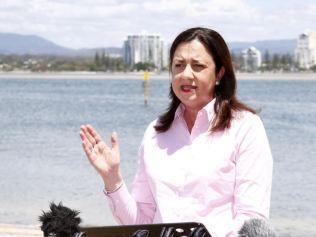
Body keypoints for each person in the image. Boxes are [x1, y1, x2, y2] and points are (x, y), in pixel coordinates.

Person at [79, 27, 273, 237]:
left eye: (198, 66)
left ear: (219, 73)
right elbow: (141, 224)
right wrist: (112, 179)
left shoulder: (246, 127)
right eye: (179, 65)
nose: (186, 74)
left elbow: (251, 219)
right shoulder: (155, 132)